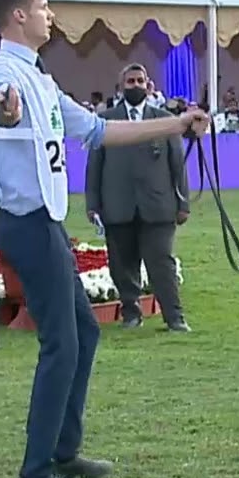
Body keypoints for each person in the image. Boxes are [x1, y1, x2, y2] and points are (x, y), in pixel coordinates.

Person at [0, 0, 210, 478]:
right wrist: (5, 109)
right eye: (42, 7)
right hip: (27, 221)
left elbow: (100, 132)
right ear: (17, 16)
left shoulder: (39, 78)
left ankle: (62, 451)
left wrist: (176, 124)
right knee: (61, 342)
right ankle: (34, 476)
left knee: (83, 332)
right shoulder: (4, 73)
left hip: (45, 222)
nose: (49, 15)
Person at [85, 62, 192, 332]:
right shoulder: (105, 121)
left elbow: (178, 166)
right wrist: (92, 203)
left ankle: (174, 318)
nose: (135, 86)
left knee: (161, 263)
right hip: (117, 205)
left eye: (140, 81)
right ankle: (131, 315)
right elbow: (94, 166)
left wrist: (183, 203)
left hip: (158, 206)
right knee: (122, 265)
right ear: (121, 86)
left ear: (148, 85)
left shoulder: (164, 119)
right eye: (130, 81)